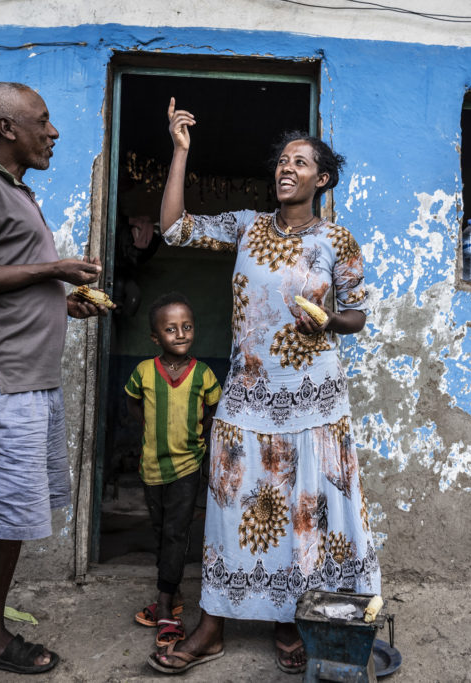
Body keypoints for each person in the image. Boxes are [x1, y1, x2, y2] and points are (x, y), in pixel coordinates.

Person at [148, 98, 382, 676]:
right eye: (281, 160)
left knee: (303, 515)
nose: (286, 168)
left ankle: (289, 618)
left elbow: (356, 315)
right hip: (248, 398)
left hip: (313, 402)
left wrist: (328, 320)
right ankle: (212, 626)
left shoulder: (338, 242)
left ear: (321, 179)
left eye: (300, 162)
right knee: (230, 510)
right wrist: (181, 152)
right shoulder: (247, 227)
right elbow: (175, 229)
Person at [0, 81, 108, 683]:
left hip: (30, 381)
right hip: (1, 381)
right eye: (42, 120)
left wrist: (59, 303)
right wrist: (55, 269)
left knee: (11, 515)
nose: (53, 131)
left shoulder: (12, 190)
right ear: (7, 129)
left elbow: (7, 284)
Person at [125, 292, 221, 649]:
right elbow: (133, 402)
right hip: (151, 466)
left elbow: (214, 410)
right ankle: (174, 591)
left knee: (176, 533)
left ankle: (166, 606)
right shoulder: (143, 372)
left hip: (186, 467)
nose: (180, 334)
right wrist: (152, 427)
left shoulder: (203, 374)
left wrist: (195, 435)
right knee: (161, 531)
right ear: (156, 337)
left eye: (187, 327)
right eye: (170, 329)